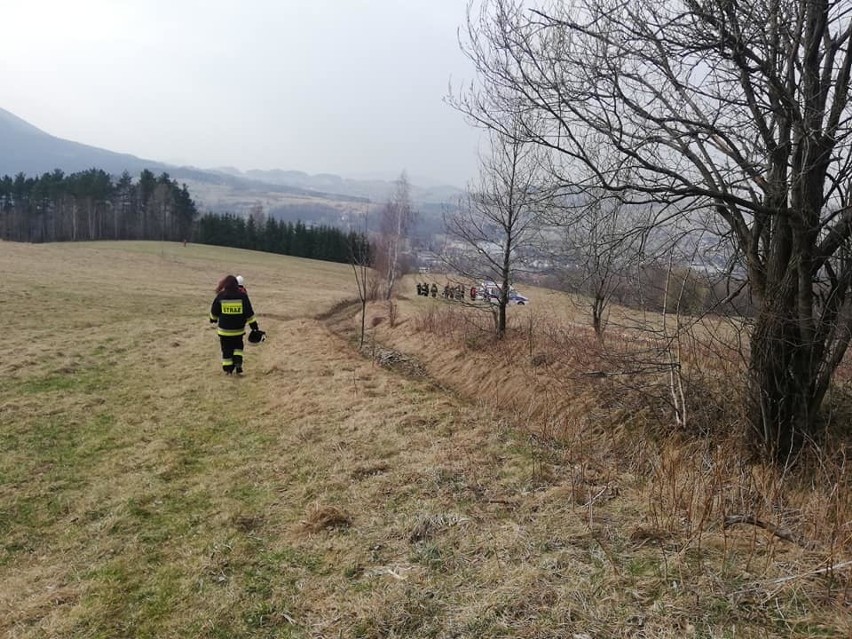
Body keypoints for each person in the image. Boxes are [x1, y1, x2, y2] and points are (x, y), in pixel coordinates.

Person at [209, 274, 262, 375]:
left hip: (224, 331)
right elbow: (249, 313)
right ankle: (238, 363)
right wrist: (254, 327)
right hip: (238, 330)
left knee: (226, 349)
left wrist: (213, 319)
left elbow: (214, 311)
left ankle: (228, 370)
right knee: (238, 347)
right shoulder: (242, 296)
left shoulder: (221, 296)